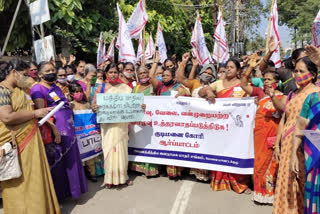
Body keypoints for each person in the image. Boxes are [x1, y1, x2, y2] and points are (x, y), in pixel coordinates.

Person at [0, 60, 60, 214]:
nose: (27, 78)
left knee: (35, 180)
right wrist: (34, 114)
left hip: (32, 140)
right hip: (17, 144)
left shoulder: (23, 90)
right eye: (25, 74)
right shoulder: (3, 90)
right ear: (14, 72)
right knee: (20, 184)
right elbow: (6, 117)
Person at [31, 61, 88, 201]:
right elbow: (42, 114)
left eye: (53, 69)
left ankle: (73, 191)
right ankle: (60, 196)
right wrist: (55, 130)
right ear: (39, 74)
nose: (52, 72)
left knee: (72, 160)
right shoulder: (38, 89)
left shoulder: (55, 86)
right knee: (59, 162)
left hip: (68, 130)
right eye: (47, 71)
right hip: (56, 131)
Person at [273, 56, 320, 214]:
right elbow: (284, 119)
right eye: (296, 71)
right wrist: (277, 145)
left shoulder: (315, 94)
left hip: (304, 145)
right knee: (286, 182)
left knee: (300, 183)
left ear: (312, 74)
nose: (297, 75)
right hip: (287, 144)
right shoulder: (293, 93)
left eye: (302, 71)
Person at [198, 58, 251, 194]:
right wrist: (209, 92)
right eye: (227, 67)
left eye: (231, 67)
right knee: (221, 151)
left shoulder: (242, 84)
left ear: (238, 71)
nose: (228, 69)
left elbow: (254, 95)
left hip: (237, 127)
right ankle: (221, 180)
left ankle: (239, 183)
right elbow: (201, 92)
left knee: (237, 151)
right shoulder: (219, 83)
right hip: (221, 126)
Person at [240, 54, 283, 203]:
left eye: (269, 79)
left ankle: (271, 194)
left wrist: (273, 97)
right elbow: (243, 84)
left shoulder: (282, 96)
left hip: (273, 136)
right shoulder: (260, 93)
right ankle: (260, 193)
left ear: (277, 82)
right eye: (264, 79)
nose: (266, 82)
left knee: (272, 165)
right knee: (259, 164)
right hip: (259, 136)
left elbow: (282, 110)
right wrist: (251, 67)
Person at [92, 63, 142, 188]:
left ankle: (123, 177)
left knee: (122, 149)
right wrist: (95, 107)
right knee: (108, 148)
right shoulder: (101, 88)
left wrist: (140, 107)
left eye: (115, 72)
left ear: (118, 74)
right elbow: (94, 106)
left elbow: (132, 105)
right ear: (106, 74)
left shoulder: (125, 88)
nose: (113, 75)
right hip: (107, 126)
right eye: (110, 72)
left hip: (121, 125)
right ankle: (109, 179)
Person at [149, 53, 189, 178]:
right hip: (162, 123)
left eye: (167, 75)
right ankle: (165, 169)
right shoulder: (160, 86)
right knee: (164, 145)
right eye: (163, 75)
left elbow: (187, 93)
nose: (164, 77)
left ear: (173, 77)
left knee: (175, 146)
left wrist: (182, 92)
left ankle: (178, 171)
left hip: (175, 123)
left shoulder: (179, 87)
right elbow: (151, 76)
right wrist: (155, 62)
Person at [130, 66, 160, 177]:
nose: (143, 75)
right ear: (138, 76)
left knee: (149, 143)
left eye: (145, 73)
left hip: (150, 121)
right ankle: (138, 166)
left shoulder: (153, 87)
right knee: (138, 141)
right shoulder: (135, 89)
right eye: (141, 73)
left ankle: (150, 167)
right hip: (137, 121)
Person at [69, 82, 98, 182]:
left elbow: (93, 117)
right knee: (80, 157)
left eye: (81, 91)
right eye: (76, 92)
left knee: (90, 155)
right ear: (72, 94)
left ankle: (92, 173)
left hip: (89, 134)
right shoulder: (71, 105)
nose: (79, 93)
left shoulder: (87, 105)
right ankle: (81, 176)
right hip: (78, 135)